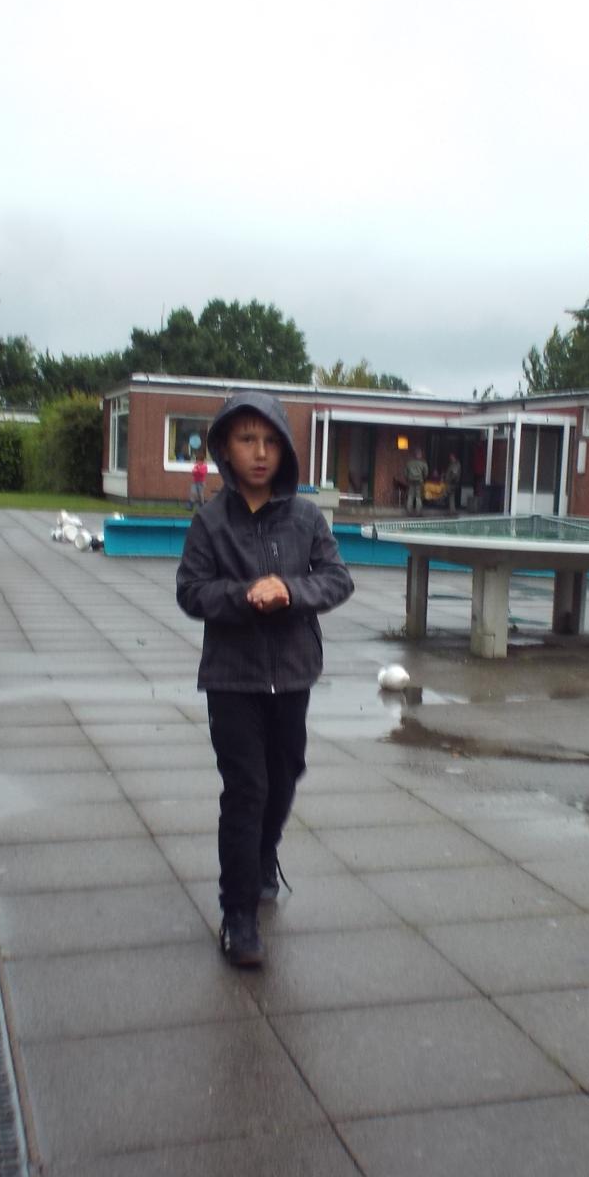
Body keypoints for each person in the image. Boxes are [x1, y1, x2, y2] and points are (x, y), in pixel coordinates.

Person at [176, 390, 354, 968]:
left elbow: (337, 579)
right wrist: (244, 595)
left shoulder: (306, 517)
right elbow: (190, 591)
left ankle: (263, 853)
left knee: (284, 777)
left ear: (285, 450)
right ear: (225, 448)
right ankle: (238, 915)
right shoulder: (210, 521)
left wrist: (291, 591)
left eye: (271, 441)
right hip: (232, 679)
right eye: (247, 439)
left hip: (293, 675)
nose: (260, 452)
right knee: (246, 790)